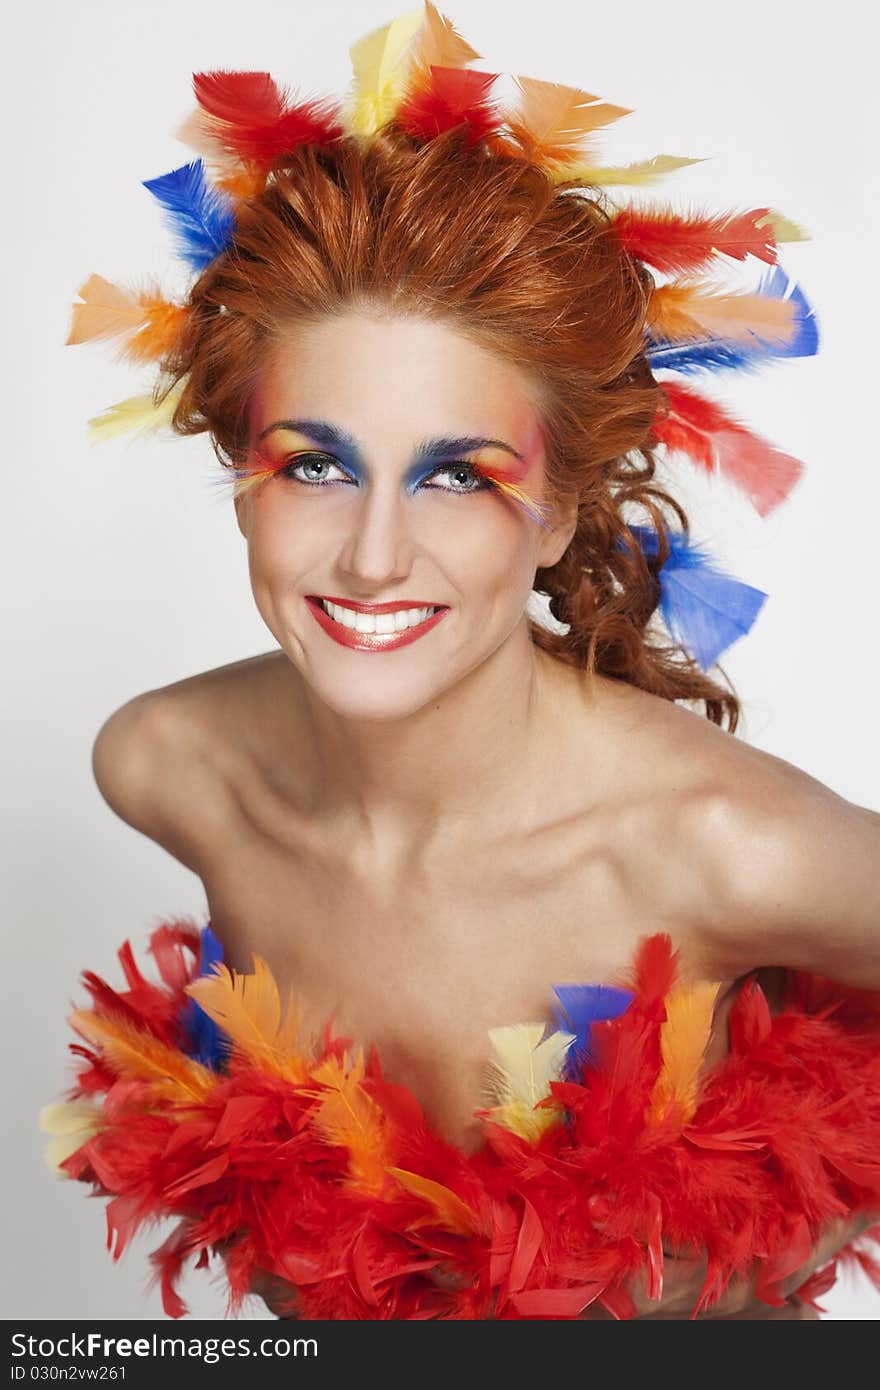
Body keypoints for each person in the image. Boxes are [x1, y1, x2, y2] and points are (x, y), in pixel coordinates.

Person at [43, 4, 880, 1321]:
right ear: (242, 484)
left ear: (554, 513)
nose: (373, 555)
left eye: (457, 475)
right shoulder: (170, 770)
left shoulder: (716, 846)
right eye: (314, 464)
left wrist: (790, 1211)